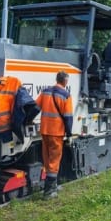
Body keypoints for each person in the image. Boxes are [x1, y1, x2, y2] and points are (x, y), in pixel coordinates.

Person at [36, 71, 73, 199]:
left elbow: (36, 107)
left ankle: (53, 186)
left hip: (44, 130)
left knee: (47, 160)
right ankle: (48, 192)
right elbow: (68, 117)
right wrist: (69, 133)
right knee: (54, 161)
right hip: (56, 132)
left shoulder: (46, 91)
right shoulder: (66, 95)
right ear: (66, 81)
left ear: (57, 79)